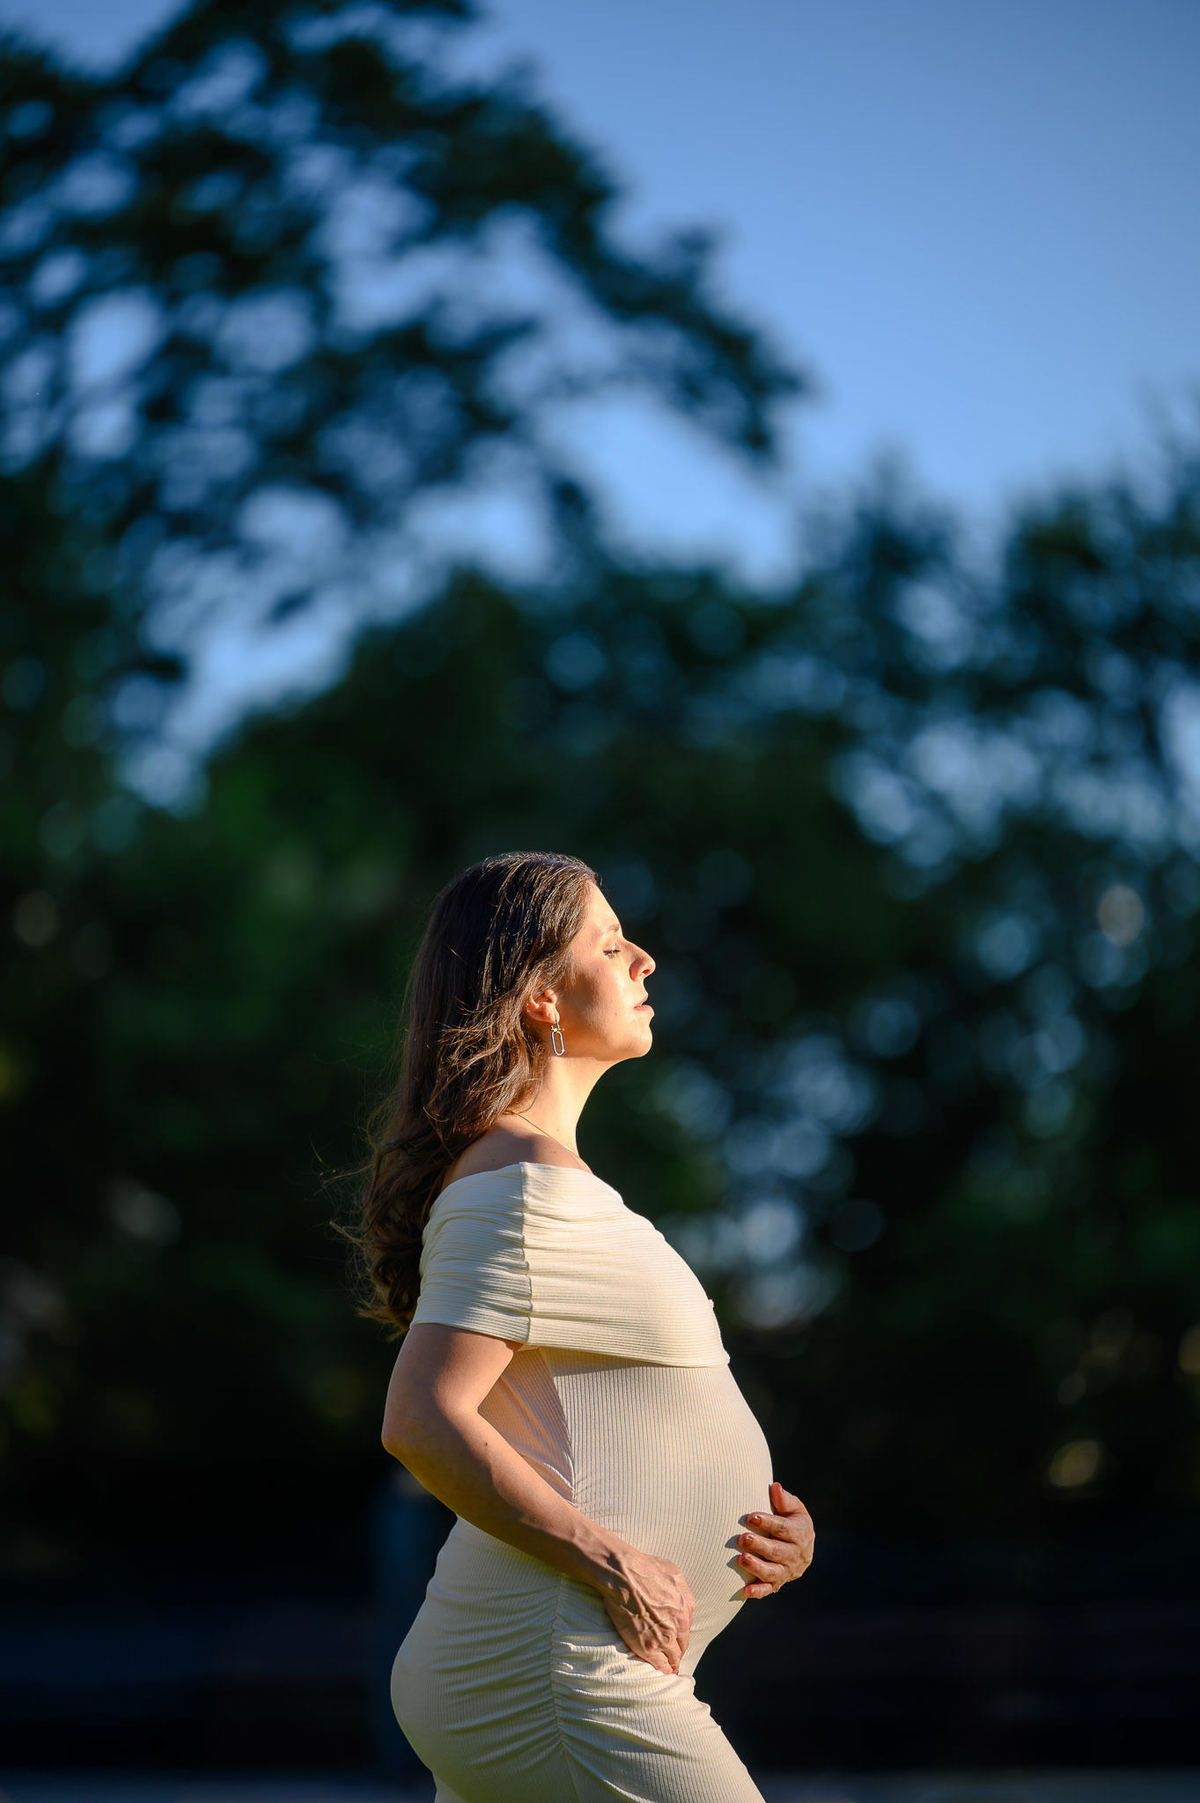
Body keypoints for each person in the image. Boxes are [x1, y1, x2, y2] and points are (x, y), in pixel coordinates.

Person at [339, 849, 814, 1802]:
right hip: (558, 1672)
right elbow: (422, 1416)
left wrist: (769, 1531)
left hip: (559, 1665)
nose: (645, 958)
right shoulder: (516, 1187)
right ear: (541, 997)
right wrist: (616, 1560)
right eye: (609, 943)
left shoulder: (542, 1182)